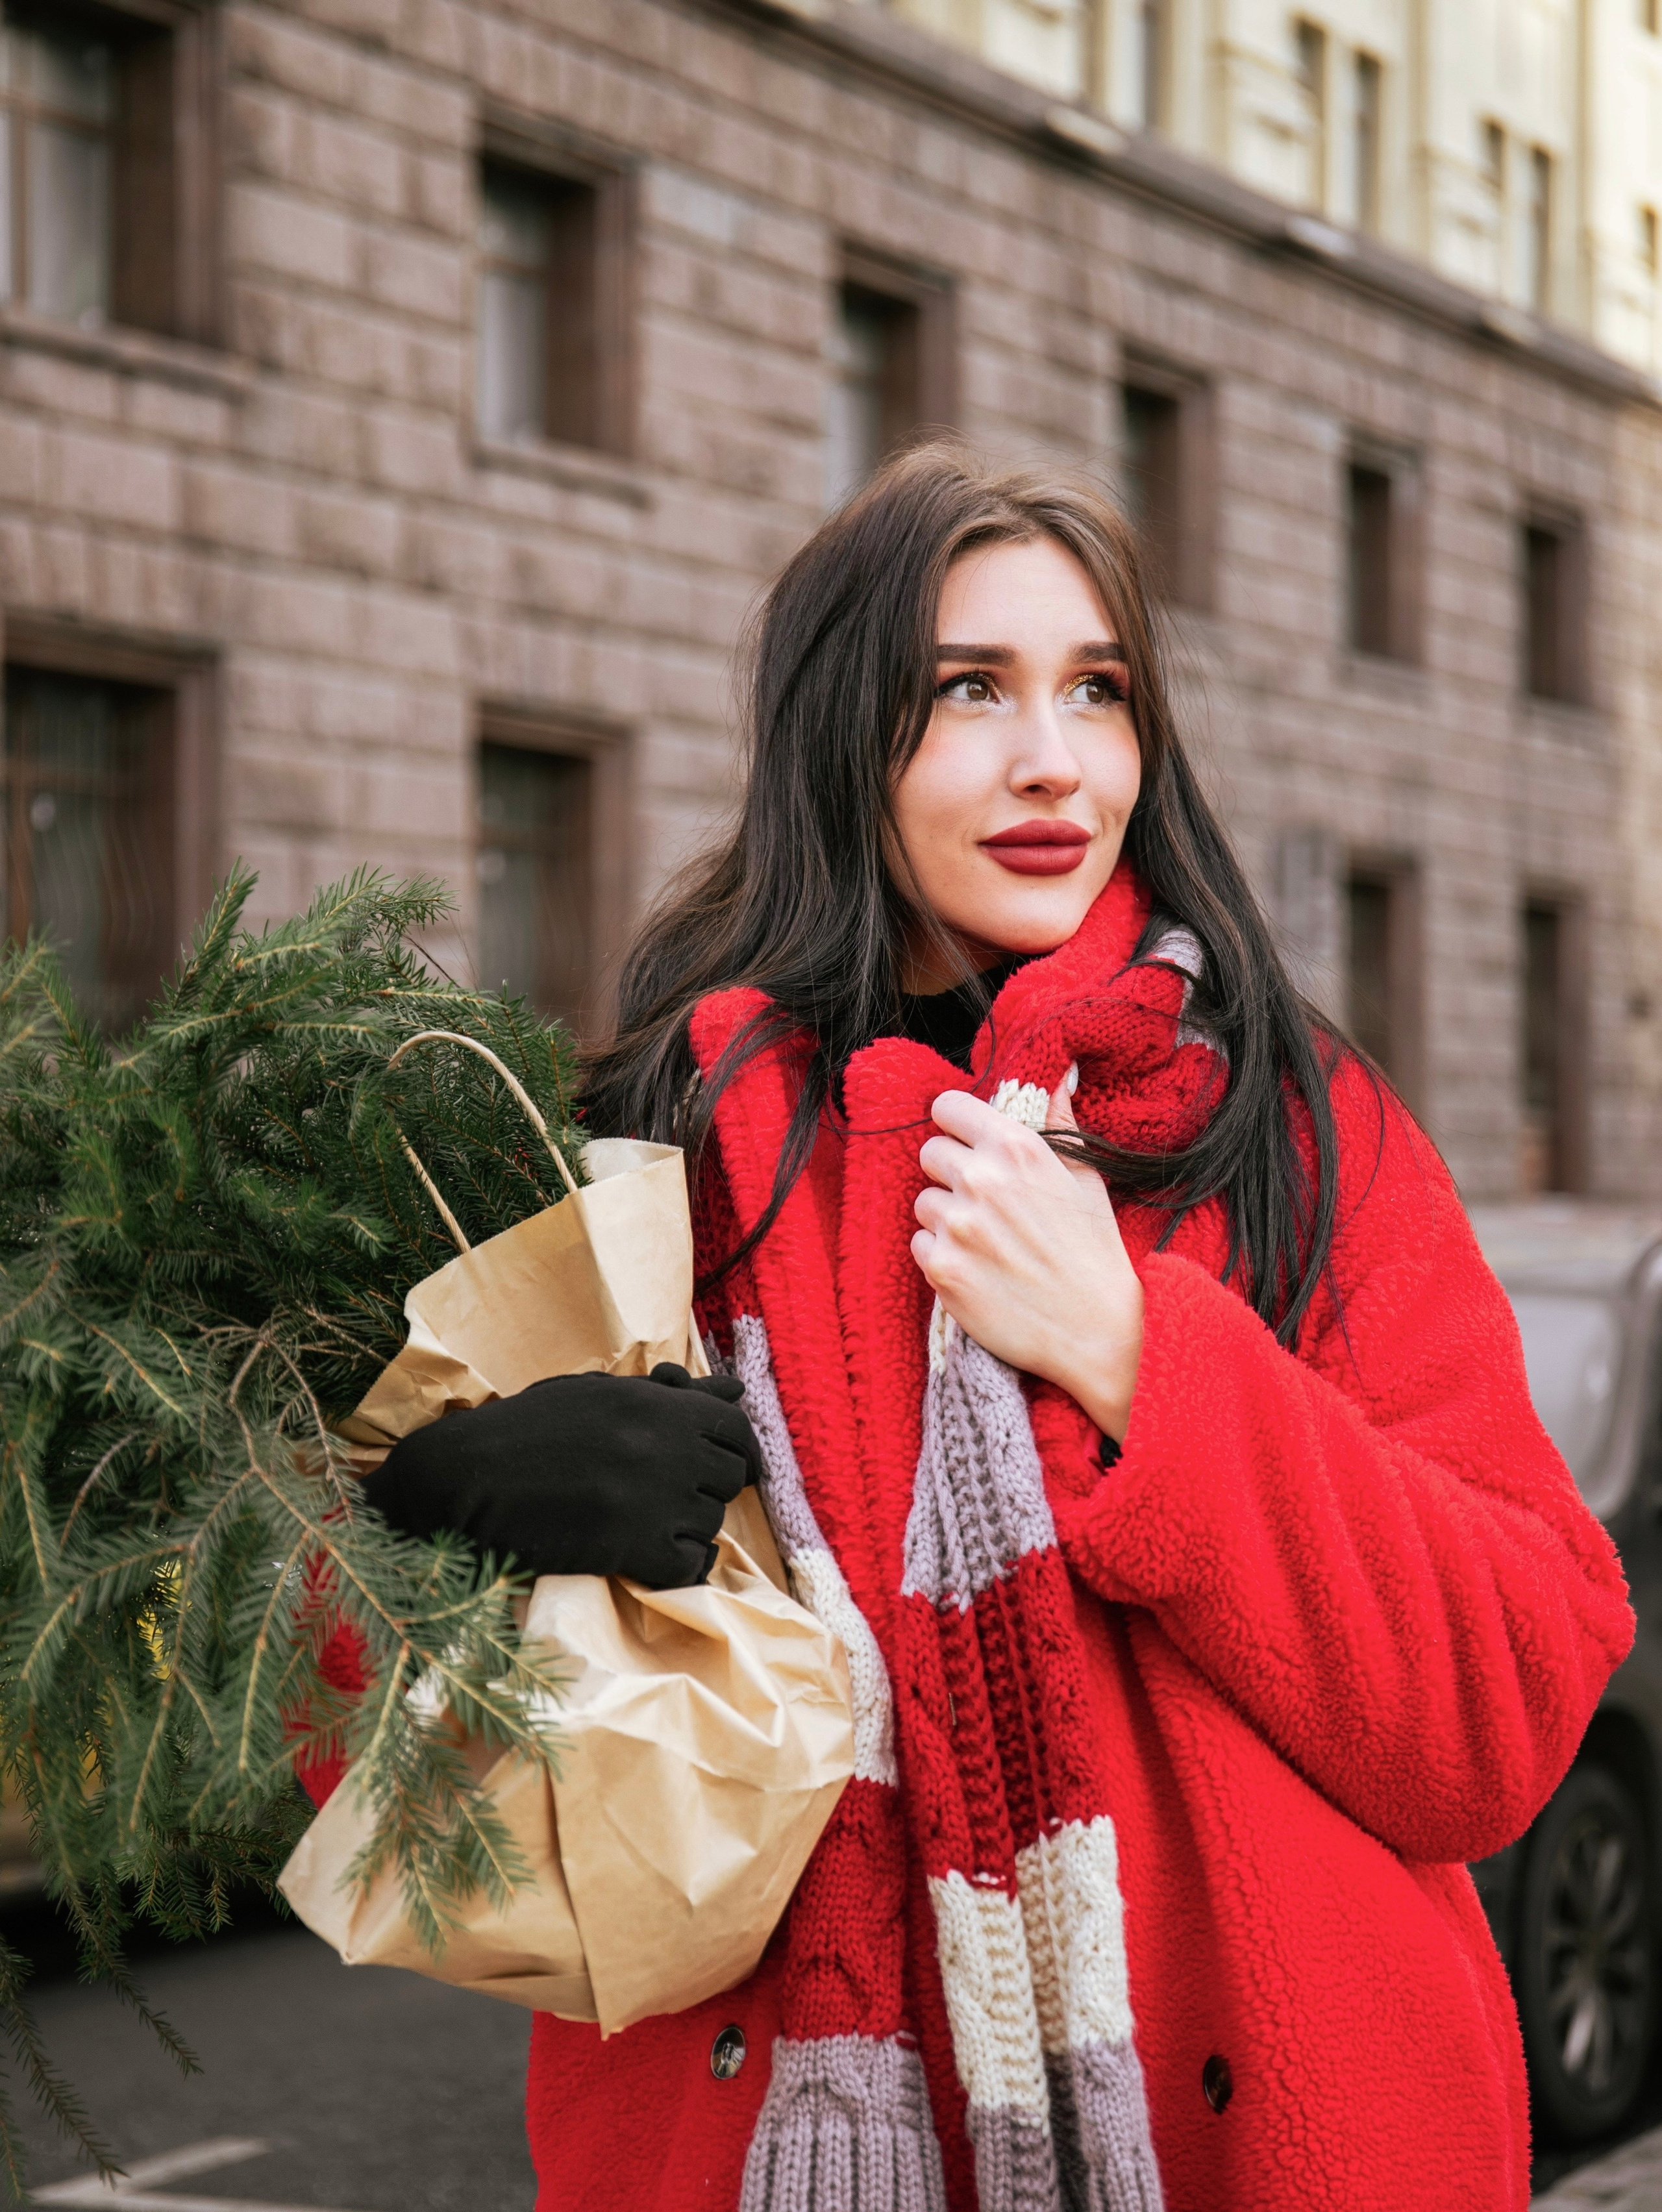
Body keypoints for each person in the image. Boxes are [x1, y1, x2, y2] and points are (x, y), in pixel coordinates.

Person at [360, 444, 1633, 2212]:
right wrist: (444, 1517)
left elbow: (1508, 1704)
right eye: (970, 689)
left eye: (1098, 691)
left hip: (1277, 2150)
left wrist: (1140, 1359)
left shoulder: (1289, 1126)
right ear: (841, 735)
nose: (1054, 760)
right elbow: (366, 1771)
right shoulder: (653, 1143)